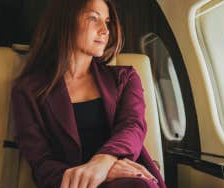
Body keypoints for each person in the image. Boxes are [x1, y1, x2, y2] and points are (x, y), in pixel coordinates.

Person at [11, 0, 166, 187]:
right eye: (94, 18)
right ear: (65, 22)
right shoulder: (27, 90)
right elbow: (41, 161)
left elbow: (132, 127)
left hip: (126, 181)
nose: (105, 30)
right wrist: (97, 174)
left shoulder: (125, 78)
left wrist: (104, 162)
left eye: (107, 22)